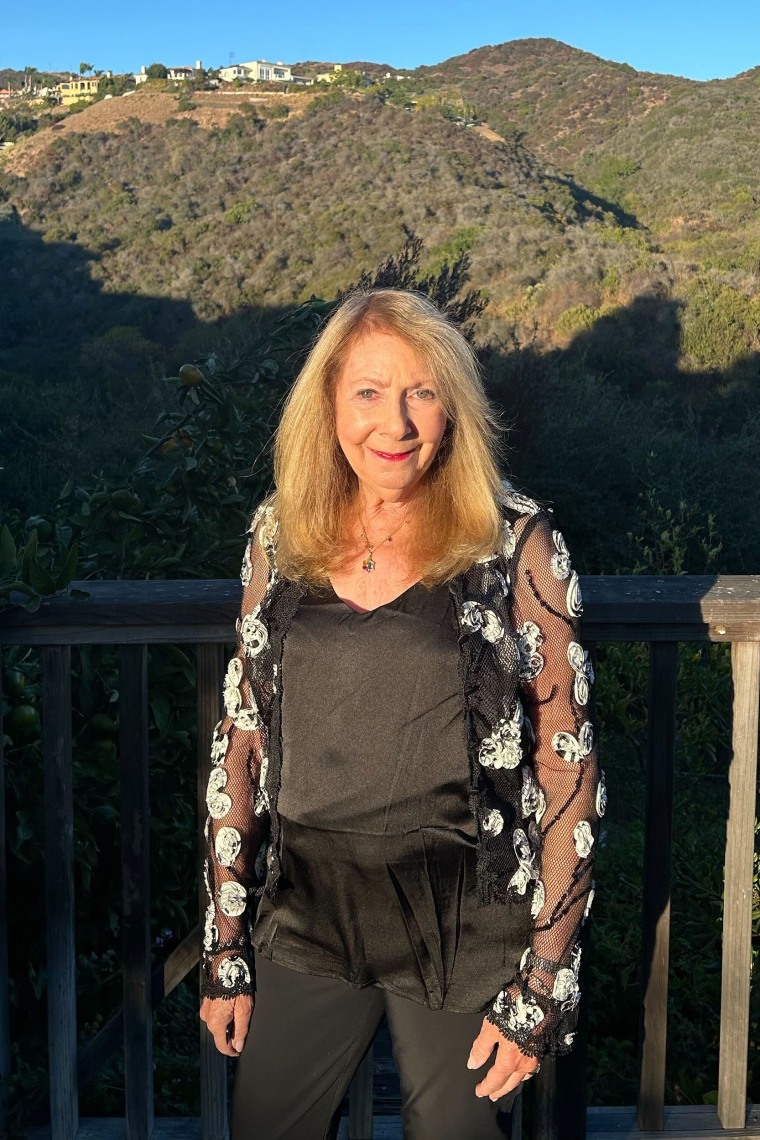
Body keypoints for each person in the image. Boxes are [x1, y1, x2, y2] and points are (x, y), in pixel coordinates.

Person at [198, 288, 603, 1140]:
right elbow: (242, 732)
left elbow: (567, 763)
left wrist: (541, 984)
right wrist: (226, 942)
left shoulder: (514, 541)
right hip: (307, 908)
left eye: (422, 391)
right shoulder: (282, 531)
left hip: (463, 917)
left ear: (453, 407)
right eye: (370, 393)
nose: (397, 422)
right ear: (331, 404)